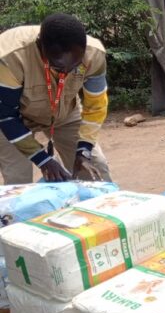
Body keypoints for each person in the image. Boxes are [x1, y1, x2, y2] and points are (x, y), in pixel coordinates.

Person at [0, 13, 111, 184]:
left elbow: (96, 106)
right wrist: (43, 160)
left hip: (65, 112)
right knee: (18, 180)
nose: (66, 72)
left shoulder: (94, 55)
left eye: (75, 65)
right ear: (40, 47)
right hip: (14, 118)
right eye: (59, 67)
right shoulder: (9, 58)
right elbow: (6, 116)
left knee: (95, 170)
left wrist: (84, 150)